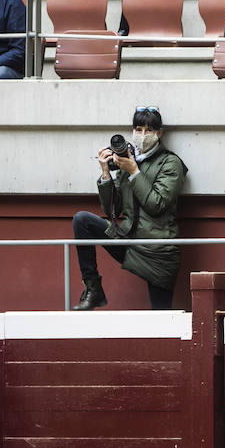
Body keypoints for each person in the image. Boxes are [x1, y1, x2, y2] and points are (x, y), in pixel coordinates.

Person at [72, 106, 188, 311]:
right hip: (127, 238)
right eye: (138, 129)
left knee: (161, 316)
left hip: (156, 252)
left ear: (159, 133)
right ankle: (93, 289)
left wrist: (134, 171)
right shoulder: (128, 160)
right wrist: (106, 174)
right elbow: (111, 210)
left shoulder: (171, 163)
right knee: (82, 220)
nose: (142, 135)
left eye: (149, 130)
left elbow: (156, 204)